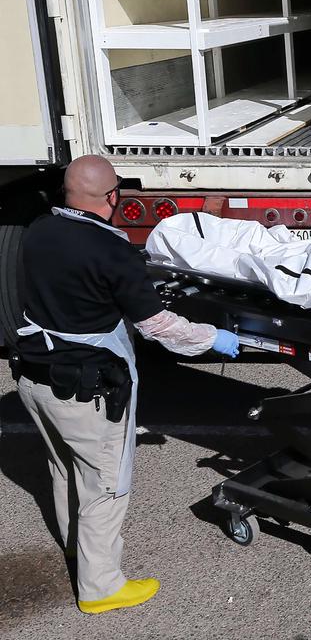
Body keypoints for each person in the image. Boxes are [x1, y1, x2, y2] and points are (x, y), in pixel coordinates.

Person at [11, 154, 241, 615]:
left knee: (64, 467)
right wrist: (212, 337)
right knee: (105, 485)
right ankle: (101, 588)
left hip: (35, 380)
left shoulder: (39, 230)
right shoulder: (111, 251)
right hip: (85, 389)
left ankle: (78, 548)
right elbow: (158, 325)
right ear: (112, 197)